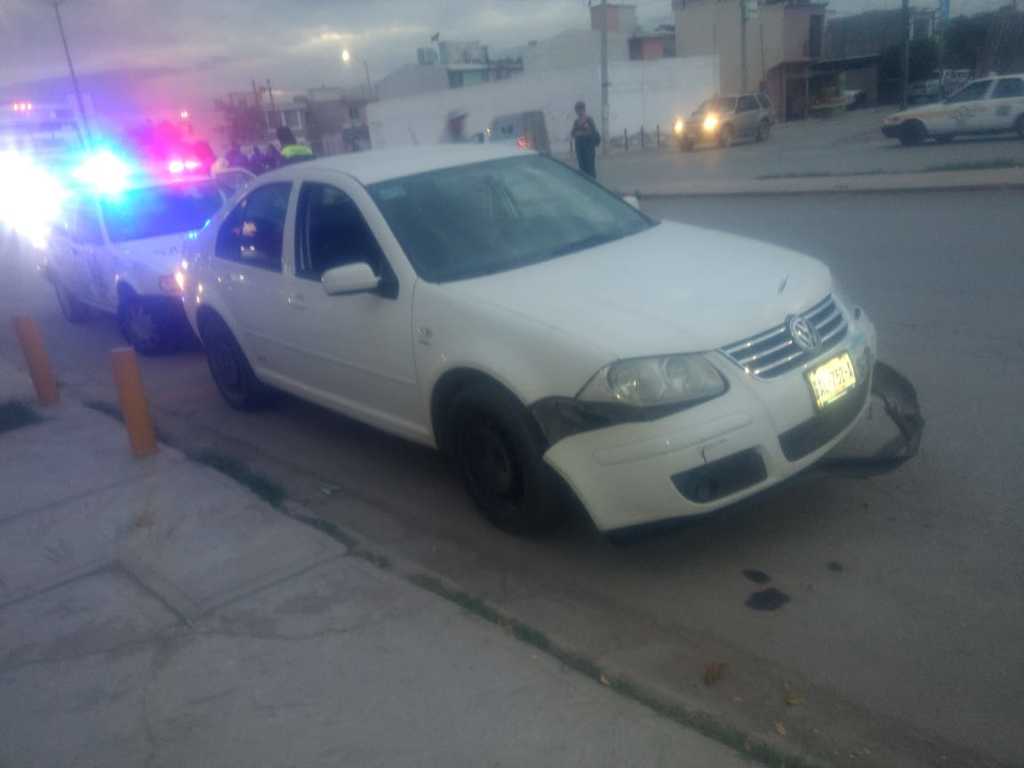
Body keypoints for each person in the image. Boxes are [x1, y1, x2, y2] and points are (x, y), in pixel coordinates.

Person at [570, 100, 600, 178]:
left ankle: (592, 182)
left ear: (583, 109)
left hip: (588, 147)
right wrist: (578, 133)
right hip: (579, 147)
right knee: (582, 167)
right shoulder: (576, 121)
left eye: (580, 110)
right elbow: (572, 133)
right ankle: (584, 182)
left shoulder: (589, 119)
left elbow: (593, 133)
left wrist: (585, 131)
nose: (578, 112)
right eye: (577, 110)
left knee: (590, 166)